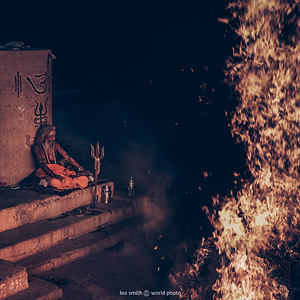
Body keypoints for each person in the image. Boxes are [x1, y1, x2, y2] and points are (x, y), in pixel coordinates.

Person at [32, 124, 92, 190]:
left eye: (54, 136)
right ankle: (46, 181)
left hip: (58, 170)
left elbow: (67, 157)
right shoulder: (37, 147)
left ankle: (68, 183)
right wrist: (53, 175)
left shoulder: (55, 144)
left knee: (83, 179)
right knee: (55, 182)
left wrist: (80, 168)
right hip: (45, 172)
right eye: (51, 136)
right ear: (44, 136)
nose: (54, 138)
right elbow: (42, 163)